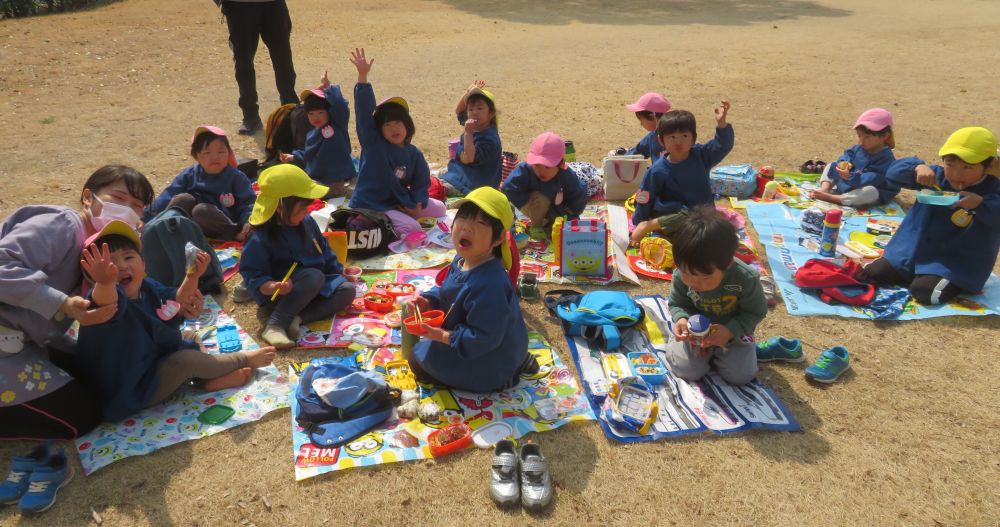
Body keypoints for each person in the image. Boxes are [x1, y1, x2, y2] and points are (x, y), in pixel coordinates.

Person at [0, 165, 154, 440]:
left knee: (96, 374)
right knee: (83, 415)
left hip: (26, 340)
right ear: (88, 197)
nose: (127, 210)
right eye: (118, 199)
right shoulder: (60, 226)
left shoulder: (99, 245)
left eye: (137, 205)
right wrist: (64, 303)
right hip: (6, 346)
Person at [73, 222, 276, 422]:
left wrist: (193, 276)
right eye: (109, 264)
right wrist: (104, 282)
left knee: (190, 336)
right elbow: (105, 299)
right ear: (93, 277)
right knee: (185, 360)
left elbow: (177, 299)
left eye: (128, 257)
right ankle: (243, 359)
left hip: (153, 360)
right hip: (132, 389)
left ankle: (208, 380)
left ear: (143, 264)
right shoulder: (103, 301)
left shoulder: (147, 287)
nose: (121, 266)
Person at [408, 187, 535, 393]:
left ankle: (503, 378)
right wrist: (428, 301)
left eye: (481, 223)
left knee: (417, 359)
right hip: (497, 342)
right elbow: (446, 291)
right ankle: (517, 360)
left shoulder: (490, 284)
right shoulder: (463, 260)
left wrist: (442, 336)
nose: (467, 228)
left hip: (488, 356)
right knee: (423, 350)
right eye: (463, 218)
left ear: (498, 239)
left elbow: (483, 338)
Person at [857, 126, 1000, 305]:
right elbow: (893, 174)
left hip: (953, 262)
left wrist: (981, 204)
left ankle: (941, 281)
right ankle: (913, 274)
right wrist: (917, 167)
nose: (956, 174)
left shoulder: (993, 190)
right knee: (870, 274)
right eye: (950, 164)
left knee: (924, 292)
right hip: (911, 252)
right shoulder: (937, 177)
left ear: (989, 165)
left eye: (967, 167)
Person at [239, 165, 357, 348]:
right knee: (313, 277)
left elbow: (323, 250)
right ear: (280, 207)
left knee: (347, 291)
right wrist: (271, 286)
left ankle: (298, 318)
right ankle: (275, 324)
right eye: (303, 207)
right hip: (282, 293)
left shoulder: (306, 221)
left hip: (313, 287)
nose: (307, 211)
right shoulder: (260, 237)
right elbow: (252, 272)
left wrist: (338, 273)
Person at [347, 48, 447, 236]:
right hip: (372, 203)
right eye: (387, 124)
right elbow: (363, 115)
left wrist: (416, 205)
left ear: (407, 125)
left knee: (440, 208)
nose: (394, 129)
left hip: (398, 201)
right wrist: (362, 77)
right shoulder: (373, 145)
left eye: (398, 123)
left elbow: (421, 182)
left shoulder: (413, 153)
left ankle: (399, 217)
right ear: (379, 129)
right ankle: (364, 220)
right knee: (412, 228)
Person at [663, 208, 767, 385]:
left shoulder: (745, 279)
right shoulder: (682, 274)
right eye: (687, 274)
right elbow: (678, 303)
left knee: (741, 375)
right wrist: (682, 320)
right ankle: (697, 353)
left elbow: (755, 312)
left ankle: (723, 353)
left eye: (705, 278)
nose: (695, 284)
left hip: (732, 333)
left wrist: (729, 332)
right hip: (695, 332)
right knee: (687, 370)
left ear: (727, 264)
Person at [629, 101, 734, 245]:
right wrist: (639, 223)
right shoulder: (658, 170)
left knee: (713, 234)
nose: (678, 142)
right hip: (670, 214)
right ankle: (650, 225)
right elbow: (645, 196)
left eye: (684, 136)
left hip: (701, 215)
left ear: (693, 138)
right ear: (661, 140)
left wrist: (722, 125)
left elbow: (722, 146)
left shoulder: (701, 156)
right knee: (687, 218)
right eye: (672, 137)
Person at [145, 126, 256, 241]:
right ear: (196, 155)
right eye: (207, 153)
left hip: (224, 224)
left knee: (201, 210)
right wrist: (142, 217)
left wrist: (248, 221)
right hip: (194, 225)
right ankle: (160, 230)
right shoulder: (190, 174)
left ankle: (234, 234)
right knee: (182, 199)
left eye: (221, 152)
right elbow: (167, 196)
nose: (215, 157)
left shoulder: (235, 177)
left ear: (228, 153)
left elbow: (248, 202)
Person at [219, 0, 297, 135]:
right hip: (239, 5)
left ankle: (290, 110)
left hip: (273, 4)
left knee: (283, 58)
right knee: (243, 63)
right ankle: (250, 116)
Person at [279, 68, 357, 197]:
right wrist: (293, 157)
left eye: (320, 113)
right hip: (319, 179)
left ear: (329, 112)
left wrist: (327, 87)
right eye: (311, 114)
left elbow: (340, 107)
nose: (316, 117)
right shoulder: (312, 134)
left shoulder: (337, 124)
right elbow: (310, 155)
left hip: (340, 180)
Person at [501, 132, 587, 239]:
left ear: (560, 164)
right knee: (541, 199)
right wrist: (526, 198)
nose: (541, 171)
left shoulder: (566, 174)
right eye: (537, 165)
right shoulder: (526, 169)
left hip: (558, 209)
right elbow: (508, 187)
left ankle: (549, 223)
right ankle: (536, 226)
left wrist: (570, 215)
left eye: (547, 167)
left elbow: (578, 195)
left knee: (564, 228)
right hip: (533, 205)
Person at [810, 108, 899, 207]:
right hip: (850, 181)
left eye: (867, 137)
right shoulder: (860, 148)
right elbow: (848, 154)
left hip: (868, 187)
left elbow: (872, 178)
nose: (861, 141)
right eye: (859, 136)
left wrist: (850, 177)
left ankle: (832, 198)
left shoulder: (886, 159)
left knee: (870, 191)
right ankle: (825, 189)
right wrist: (844, 163)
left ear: (884, 136)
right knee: (832, 165)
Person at [439, 80, 503, 196]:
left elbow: (470, 157)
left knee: (437, 186)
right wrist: (468, 91)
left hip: (475, 184)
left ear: (491, 114)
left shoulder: (490, 139)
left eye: (480, 108)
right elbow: (459, 111)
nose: (474, 113)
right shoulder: (475, 124)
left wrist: (468, 134)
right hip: (463, 172)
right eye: (471, 109)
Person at [613, 91, 672, 160]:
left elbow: (632, 156)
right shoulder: (682, 132)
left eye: (641, 120)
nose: (641, 124)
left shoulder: (653, 136)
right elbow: (637, 152)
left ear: (652, 116)